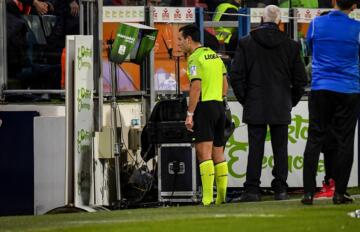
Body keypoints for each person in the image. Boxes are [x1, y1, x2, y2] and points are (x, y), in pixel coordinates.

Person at [230, 5, 307, 202]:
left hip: (255, 102)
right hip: (281, 103)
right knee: (281, 148)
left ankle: (252, 190)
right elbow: (300, 80)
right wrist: (290, 100)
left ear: (262, 20)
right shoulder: (291, 46)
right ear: (279, 21)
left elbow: (236, 76)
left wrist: (246, 100)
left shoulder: (246, 43)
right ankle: (280, 189)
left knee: (255, 148)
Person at [301, 0, 360, 205]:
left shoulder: (316, 24)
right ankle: (339, 192)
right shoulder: (357, 28)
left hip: (321, 87)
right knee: (345, 141)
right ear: (353, 6)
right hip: (349, 89)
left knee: (315, 138)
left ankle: (308, 192)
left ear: (334, 1)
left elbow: (309, 47)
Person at [178, 24, 229, 206]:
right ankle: (221, 196)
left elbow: (196, 87)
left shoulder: (195, 58)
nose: (179, 44)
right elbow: (225, 86)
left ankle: (207, 198)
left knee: (203, 153)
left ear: (189, 40)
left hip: (205, 108)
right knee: (218, 153)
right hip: (219, 107)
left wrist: (190, 113)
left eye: (180, 40)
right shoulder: (216, 56)